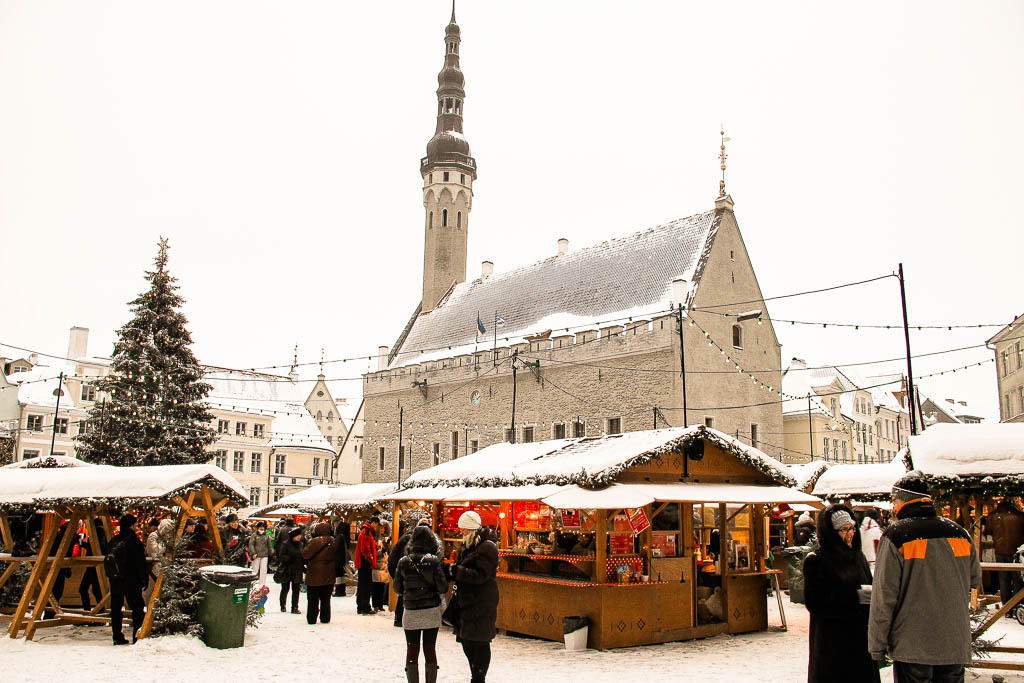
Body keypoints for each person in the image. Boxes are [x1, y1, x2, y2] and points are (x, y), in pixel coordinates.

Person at [869, 471, 981, 683]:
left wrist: (877, 644)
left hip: (913, 643)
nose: (892, 506)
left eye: (894, 500)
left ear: (903, 501)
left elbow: (884, 595)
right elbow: (974, 578)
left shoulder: (897, 535)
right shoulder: (959, 533)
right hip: (954, 641)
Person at [803, 504, 879, 683]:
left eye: (852, 528)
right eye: (843, 530)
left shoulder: (858, 557)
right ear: (831, 532)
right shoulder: (817, 561)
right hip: (832, 642)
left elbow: (869, 584)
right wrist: (854, 598)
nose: (850, 533)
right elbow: (814, 603)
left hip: (860, 637)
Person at [395, 526, 448, 683]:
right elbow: (442, 587)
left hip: (410, 611)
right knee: (430, 649)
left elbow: (397, 588)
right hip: (431, 611)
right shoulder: (433, 561)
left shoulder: (403, 562)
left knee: (412, 649)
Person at [451, 511, 499, 683]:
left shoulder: (487, 547)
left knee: (479, 642)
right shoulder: (470, 545)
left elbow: (481, 575)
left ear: (471, 529)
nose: (461, 532)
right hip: (468, 602)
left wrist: (458, 571)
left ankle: (478, 677)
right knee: (467, 641)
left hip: (481, 602)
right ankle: (476, 675)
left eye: (463, 529)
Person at [107, 514, 148, 645]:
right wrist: (144, 578)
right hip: (131, 579)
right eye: (135, 524)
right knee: (137, 608)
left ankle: (117, 636)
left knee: (116, 608)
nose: (137, 527)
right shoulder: (134, 541)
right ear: (131, 525)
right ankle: (137, 635)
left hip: (115, 579)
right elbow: (140, 562)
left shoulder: (114, 540)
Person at [984, 500, 1024, 609]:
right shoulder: (1019, 516)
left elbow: (987, 531)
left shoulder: (992, 517)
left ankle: (1006, 608)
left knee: (1003, 580)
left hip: (1000, 551)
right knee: (1017, 578)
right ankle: (1016, 606)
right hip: (1016, 552)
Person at [302, 522, 336, 624]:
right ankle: (325, 617)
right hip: (329, 573)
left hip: (314, 574)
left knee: (313, 599)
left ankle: (312, 618)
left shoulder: (315, 541)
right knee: (326, 599)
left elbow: (306, 554)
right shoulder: (333, 541)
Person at [389, 520, 412, 627]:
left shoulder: (404, 538)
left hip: (395, 565)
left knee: (402, 592)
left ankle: (399, 618)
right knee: (403, 592)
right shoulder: (407, 539)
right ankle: (399, 618)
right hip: (397, 567)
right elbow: (404, 554)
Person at [355, 516, 381, 615]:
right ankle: (365, 607)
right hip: (365, 562)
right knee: (366, 585)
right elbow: (365, 549)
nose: (377, 527)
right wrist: (371, 558)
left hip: (362, 562)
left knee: (362, 584)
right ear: (373, 523)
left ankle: (361, 606)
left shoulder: (366, 531)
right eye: (377, 524)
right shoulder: (366, 532)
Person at [277, 526, 305, 614]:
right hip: (287, 569)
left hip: (297, 570)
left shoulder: (301, 544)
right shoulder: (285, 544)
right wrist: (289, 558)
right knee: (285, 589)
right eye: (297, 536)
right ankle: (283, 605)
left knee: (296, 589)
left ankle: (294, 607)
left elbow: (302, 555)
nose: (299, 537)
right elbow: (281, 556)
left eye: (299, 535)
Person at [248, 521, 272, 587]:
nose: (262, 530)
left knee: (263, 569)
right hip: (256, 555)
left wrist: (271, 553)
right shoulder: (254, 535)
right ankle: (253, 583)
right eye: (260, 528)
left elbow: (269, 545)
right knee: (255, 569)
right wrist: (253, 553)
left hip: (265, 554)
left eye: (263, 529)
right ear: (257, 528)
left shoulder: (266, 535)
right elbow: (251, 545)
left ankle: (262, 584)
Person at [333, 520, 351, 597]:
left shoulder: (339, 537)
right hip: (342, 559)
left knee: (338, 575)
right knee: (341, 574)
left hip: (337, 559)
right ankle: (342, 590)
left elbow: (335, 549)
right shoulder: (345, 537)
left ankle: (338, 591)